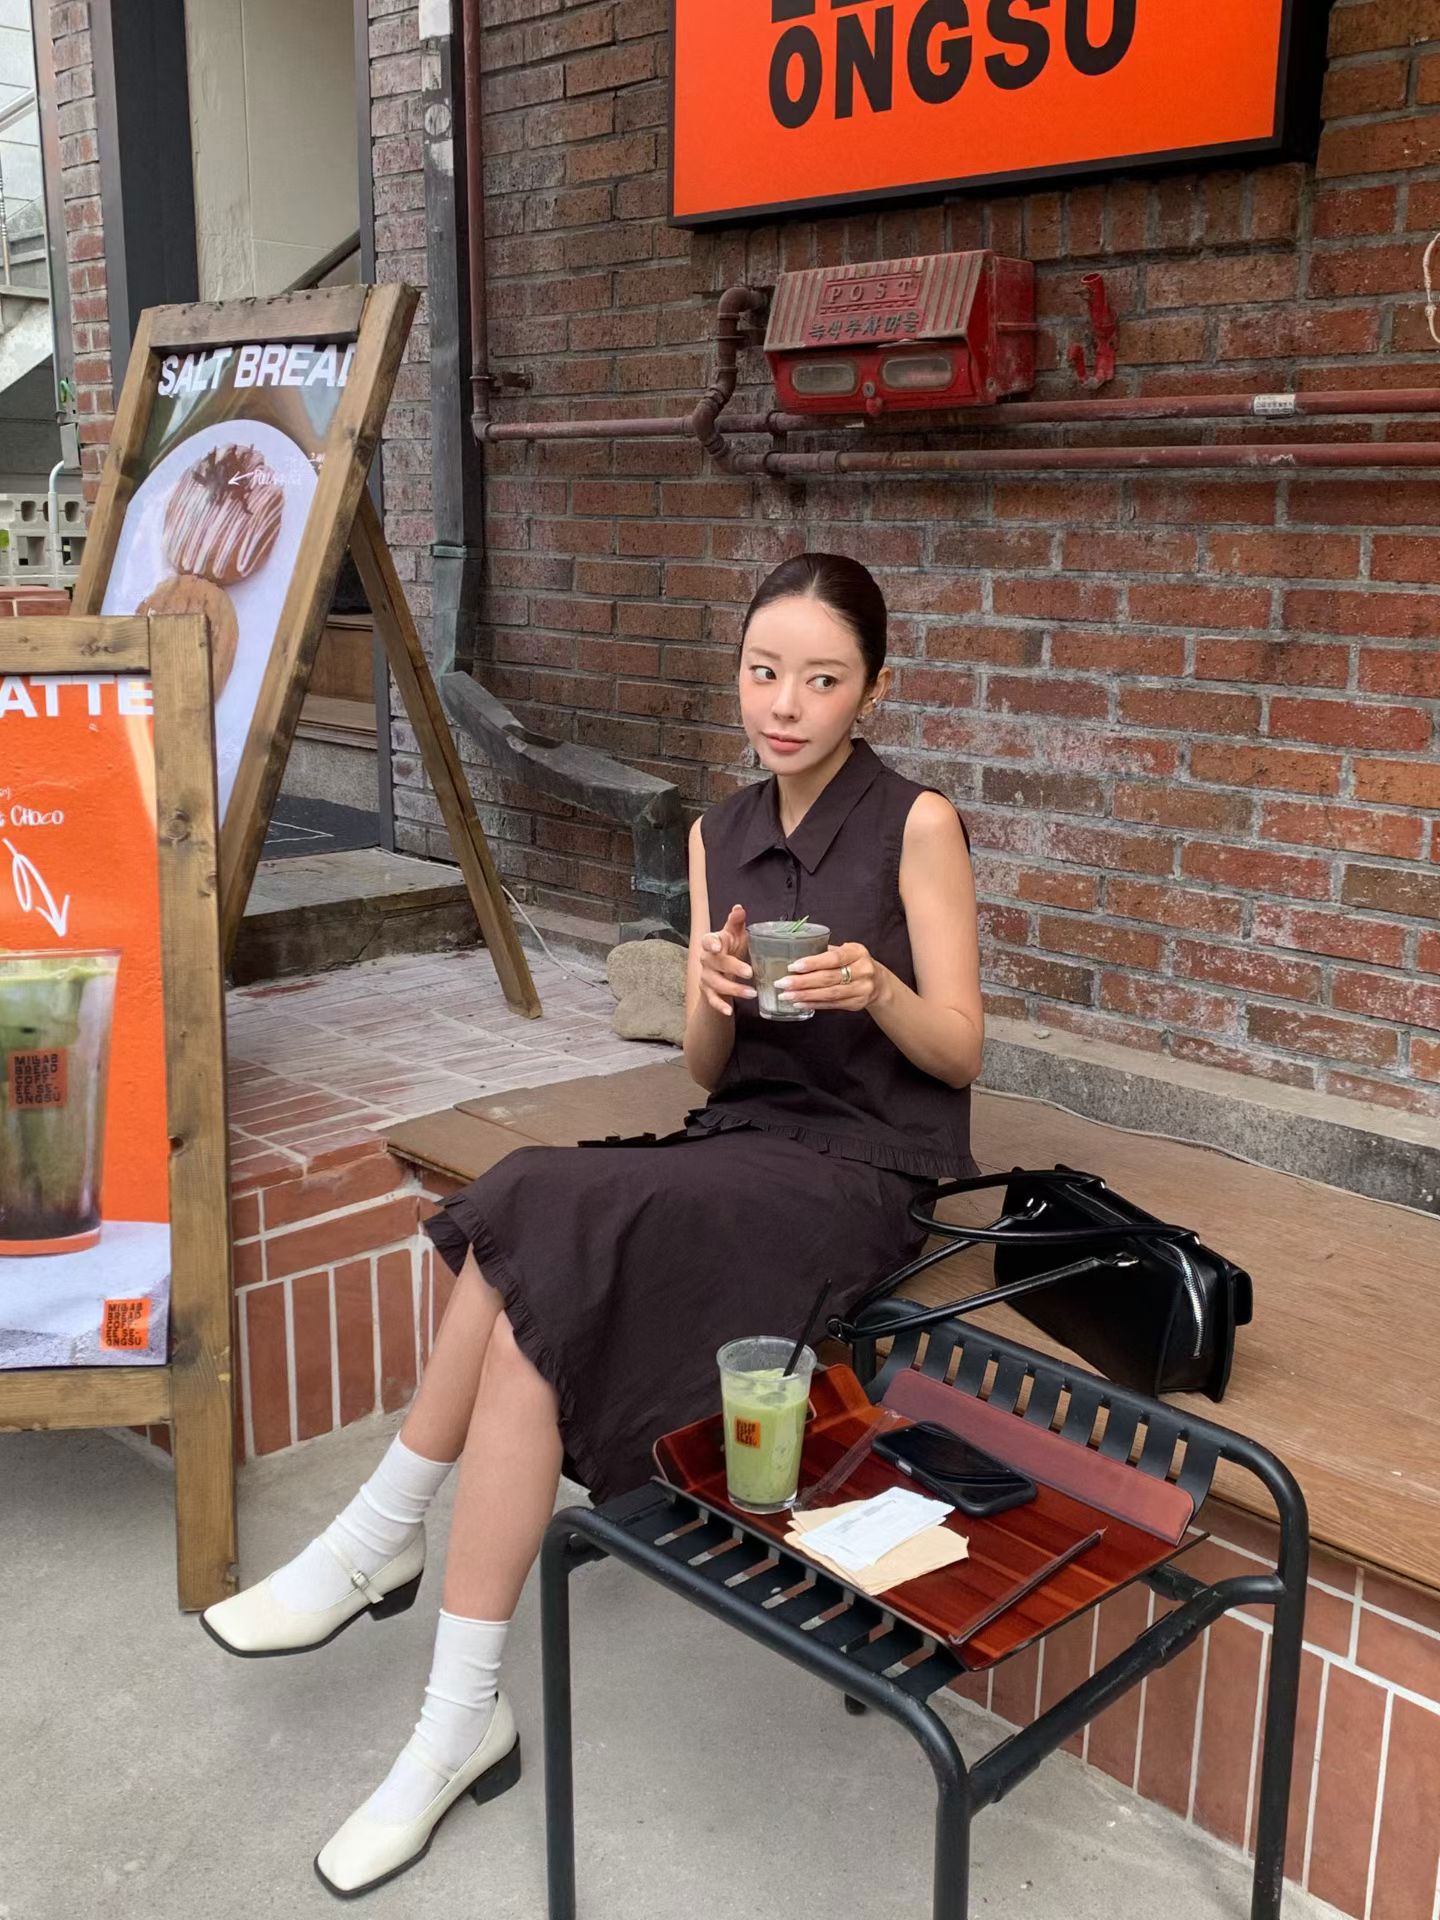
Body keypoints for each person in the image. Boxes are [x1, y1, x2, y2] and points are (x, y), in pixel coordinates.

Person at [200, 551, 984, 1898]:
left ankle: (381, 1537)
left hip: (863, 1172)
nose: (784, 703)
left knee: (531, 1203)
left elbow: (961, 1051)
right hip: (742, 1145)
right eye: (763, 671)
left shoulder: (917, 823)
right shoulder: (717, 831)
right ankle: (458, 1712)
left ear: (873, 691)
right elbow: (705, 1072)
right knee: (532, 1298)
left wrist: (878, 989)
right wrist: (713, 990)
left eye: (821, 680)